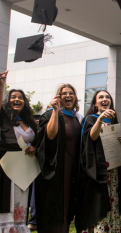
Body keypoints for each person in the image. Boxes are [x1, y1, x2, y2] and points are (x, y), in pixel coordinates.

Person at [0, 66, 37, 233]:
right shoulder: (2, 119)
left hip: (24, 170)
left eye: (20, 98)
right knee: (5, 200)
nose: (17, 100)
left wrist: (35, 148)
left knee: (20, 203)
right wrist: (0, 85)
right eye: (13, 97)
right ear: (8, 101)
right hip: (5, 170)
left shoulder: (29, 121)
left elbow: (38, 141)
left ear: (25, 102)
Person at [35, 84, 83, 233]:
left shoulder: (77, 118)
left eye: (71, 93)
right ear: (59, 97)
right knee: (56, 205)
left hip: (72, 170)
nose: (68, 96)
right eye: (64, 94)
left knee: (68, 206)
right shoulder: (50, 114)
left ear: (75, 97)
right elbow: (50, 136)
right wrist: (55, 111)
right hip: (57, 169)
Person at [77, 90, 121, 233]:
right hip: (97, 172)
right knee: (99, 204)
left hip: (113, 171)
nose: (105, 99)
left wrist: (120, 140)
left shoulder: (113, 120)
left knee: (113, 203)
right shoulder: (91, 119)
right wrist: (100, 119)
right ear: (95, 103)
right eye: (101, 97)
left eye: (107, 97)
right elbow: (91, 137)